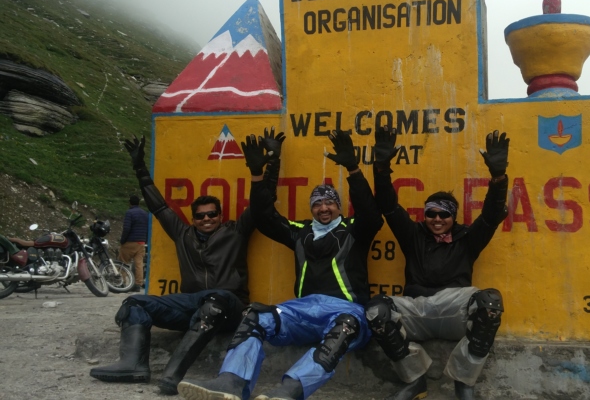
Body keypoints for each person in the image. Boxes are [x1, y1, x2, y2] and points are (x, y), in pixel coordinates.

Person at [177, 129, 383, 400]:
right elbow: (264, 215)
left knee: (344, 328)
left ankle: (289, 391)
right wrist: (259, 174)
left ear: (339, 207)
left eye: (329, 203)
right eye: (317, 203)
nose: (323, 208)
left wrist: (353, 169)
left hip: (346, 310)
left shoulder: (354, 228)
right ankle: (231, 383)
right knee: (255, 317)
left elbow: (371, 214)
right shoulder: (300, 231)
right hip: (303, 309)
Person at [90, 131, 270, 395]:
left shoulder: (236, 231)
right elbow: (159, 207)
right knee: (134, 303)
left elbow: (259, 204)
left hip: (229, 306)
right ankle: (133, 365)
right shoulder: (182, 234)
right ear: (193, 218)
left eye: (212, 214)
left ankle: (172, 376)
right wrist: (140, 169)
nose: (206, 219)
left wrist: (259, 172)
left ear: (220, 216)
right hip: (192, 304)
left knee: (215, 301)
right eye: (200, 216)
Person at [365, 127, 510, 400]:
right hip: (416, 308)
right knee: (376, 310)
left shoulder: (468, 239)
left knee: (489, 302)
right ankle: (415, 380)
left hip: (454, 308)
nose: (437, 219)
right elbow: (388, 206)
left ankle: (464, 382)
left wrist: (498, 177)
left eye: (444, 214)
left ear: (453, 217)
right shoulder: (413, 235)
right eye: (431, 213)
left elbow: (491, 215)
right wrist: (381, 168)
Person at [119, 194, 148, 291]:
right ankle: (138, 284)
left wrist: (123, 240)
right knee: (139, 264)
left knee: (122, 262)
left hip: (130, 241)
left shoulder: (129, 213)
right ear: (139, 203)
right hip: (141, 242)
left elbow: (127, 228)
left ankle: (122, 282)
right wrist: (145, 240)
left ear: (130, 203)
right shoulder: (145, 213)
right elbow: (148, 228)